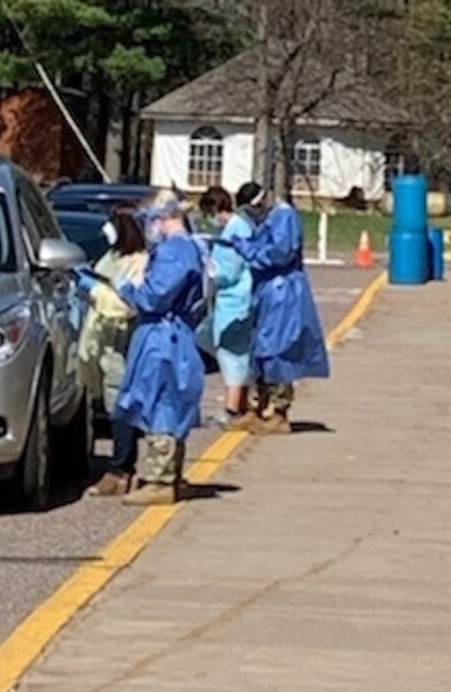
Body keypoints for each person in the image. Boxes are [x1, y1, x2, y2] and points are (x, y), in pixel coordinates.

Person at [77, 191, 206, 506]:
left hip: (163, 336)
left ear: (163, 218)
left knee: (160, 401)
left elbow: (154, 295)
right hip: (171, 333)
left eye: (151, 220)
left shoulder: (175, 251)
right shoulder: (190, 248)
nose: (148, 227)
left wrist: (126, 285)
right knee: (168, 400)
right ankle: (169, 476)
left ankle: (161, 480)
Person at [225, 182, 329, 434]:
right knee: (258, 351)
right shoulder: (270, 219)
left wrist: (247, 248)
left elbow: (279, 253)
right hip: (267, 292)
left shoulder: (284, 216)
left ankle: (279, 412)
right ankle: (257, 408)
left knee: (279, 351)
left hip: (284, 293)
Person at [75, 205, 148, 497]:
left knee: (120, 406)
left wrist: (94, 290)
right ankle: (121, 469)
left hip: (122, 343)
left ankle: (121, 469)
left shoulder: (138, 262)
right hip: (104, 342)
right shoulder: (114, 256)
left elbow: (126, 305)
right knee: (111, 401)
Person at [198, 185, 254, 426]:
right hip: (230, 300)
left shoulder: (234, 231)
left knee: (230, 352)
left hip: (236, 300)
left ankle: (233, 409)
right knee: (207, 338)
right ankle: (241, 401)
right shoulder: (236, 227)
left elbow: (227, 270)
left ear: (217, 209)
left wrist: (208, 269)